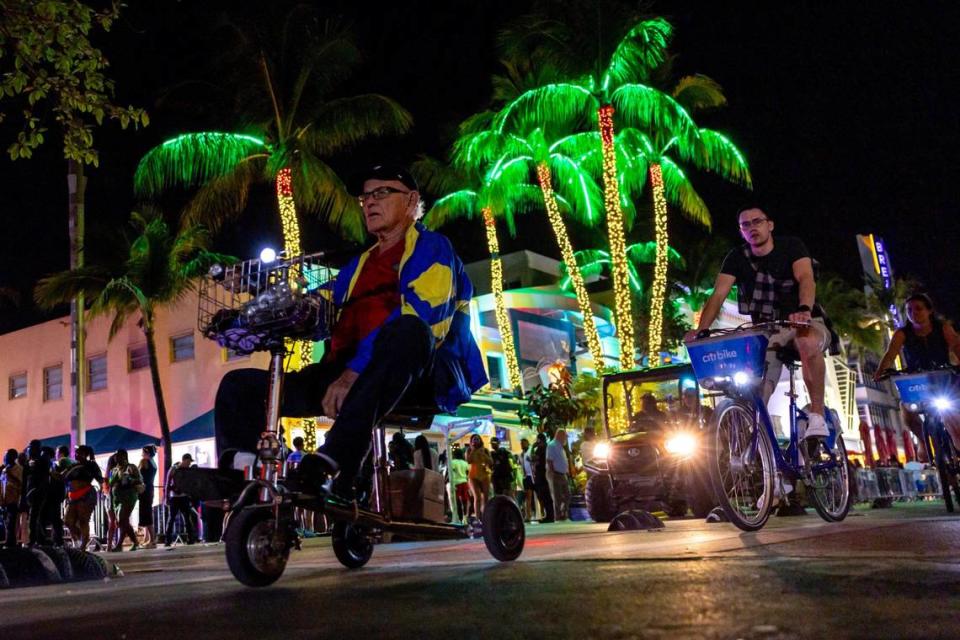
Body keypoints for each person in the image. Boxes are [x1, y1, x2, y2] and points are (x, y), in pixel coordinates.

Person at [215, 164, 487, 504]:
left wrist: (352, 372)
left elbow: (425, 314)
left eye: (382, 193)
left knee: (408, 330)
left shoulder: (433, 247)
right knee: (238, 386)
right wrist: (253, 309)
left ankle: (332, 461)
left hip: (415, 376)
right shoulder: (358, 265)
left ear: (412, 200)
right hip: (344, 373)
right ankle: (241, 469)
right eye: (365, 197)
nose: (370, 202)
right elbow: (318, 305)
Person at [686, 206, 833, 442]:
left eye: (757, 222)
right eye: (746, 225)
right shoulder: (737, 257)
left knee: (807, 342)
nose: (752, 227)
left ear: (770, 225)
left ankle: (817, 415)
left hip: (802, 319)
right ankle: (758, 445)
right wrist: (701, 329)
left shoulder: (791, 246)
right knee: (755, 387)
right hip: (766, 329)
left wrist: (804, 309)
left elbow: (806, 278)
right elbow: (718, 295)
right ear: (741, 231)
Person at [874, 293, 960, 450]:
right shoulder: (902, 334)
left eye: (919, 309)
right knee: (906, 409)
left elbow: (956, 346)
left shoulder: (943, 328)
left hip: (944, 378)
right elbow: (890, 354)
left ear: (929, 311)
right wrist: (880, 372)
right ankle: (923, 441)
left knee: (953, 415)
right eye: (909, 310)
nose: (914, 313)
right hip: (917, 381)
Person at [63, 445, 103, 550]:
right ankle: (77, 540)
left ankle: (83, 544)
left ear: (85, 454)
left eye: (79, 453)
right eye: (76, 453)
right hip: (73, 496)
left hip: (86, 494)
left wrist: (103, 488)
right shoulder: (73, 466)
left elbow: (100, 478)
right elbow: (62, 476)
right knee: (68, 520)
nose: (76, 455)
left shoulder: (91, 465)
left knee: (83, 520)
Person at [108, 449, 142, 552]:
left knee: (122, 518)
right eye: (115, 456)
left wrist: (128, 480)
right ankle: (135, 542)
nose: (116, 457)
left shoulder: (131, 467)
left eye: (119, 455)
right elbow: (110, 483)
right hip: (117, 498)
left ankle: (119, 545)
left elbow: (139, 480)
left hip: (129, 496)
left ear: (125, 456)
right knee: (122, 521)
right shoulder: (113, 470)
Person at [165, 453, 198, 546]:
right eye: (189, 461)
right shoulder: (174, 469)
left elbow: (190, 484)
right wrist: (166, 497)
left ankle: (190, 539)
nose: (189, 464)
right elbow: (167, 483)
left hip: (184, 497)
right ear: (185, 460)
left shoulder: (187, 470)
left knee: (187, 519)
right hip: (174, 497)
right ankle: (167, 541)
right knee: (171, 519)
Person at [546, 429, 571, 521]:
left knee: (567, 495)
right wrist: (553, 473)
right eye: (565, 437)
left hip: (562, 474)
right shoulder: (552, 445)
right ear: (560, 436)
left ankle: (564, 514)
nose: (566, 439)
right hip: (556, 474)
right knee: (558, 497)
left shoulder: (560, 446)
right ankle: (559, 516)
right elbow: (549, 461)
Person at [466, 434, 492, 520]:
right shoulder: (469, 450)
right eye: (474, 439)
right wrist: (473, 450)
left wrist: (483, 454)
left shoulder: (485, 450)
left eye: (477, 439)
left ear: (480, 441)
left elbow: (491, 462)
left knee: (486, 497)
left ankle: (486, 516)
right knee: (477, 497)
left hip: (484, 474)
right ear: (471, 441)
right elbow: (468, 461)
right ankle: (477, 518)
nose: (476, 441)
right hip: (473, 475)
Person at [1, 449, 23, 548]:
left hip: (14, 499)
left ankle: (12, 543)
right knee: (6, 522)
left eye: (7, 456)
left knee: (12, 523)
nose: (5, 458)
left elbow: (21, 483)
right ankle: (8, 541)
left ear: (13, 457)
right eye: (5, 456)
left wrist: (10, 474)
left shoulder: (18, 469)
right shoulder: (5, 469)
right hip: (4, 500)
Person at [138, 445, 158, 549]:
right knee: (147, 513)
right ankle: (147, 539)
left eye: (143, 451)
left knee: (146, 514)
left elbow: (139, 476)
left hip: (144, 490)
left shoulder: (144, 462)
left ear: (147, 452)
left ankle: (152, 540)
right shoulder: (153, 463)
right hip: (150, 488)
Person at [532, 433, 555, 523]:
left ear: (539, 440)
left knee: (544, 495)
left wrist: (532, 448)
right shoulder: (547, 447)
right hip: (545, 473)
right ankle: (550, 515)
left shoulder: (541, 448)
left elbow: (533, 458)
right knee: (547, 495)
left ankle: (549, 516)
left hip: (541, 475)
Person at [449, 447, 470, 520]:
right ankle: (465, 514)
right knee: (465, 500)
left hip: (456, 483)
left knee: (457, 500)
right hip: (464, 482)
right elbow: (468, 472)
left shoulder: (453, 462)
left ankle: (460, 515)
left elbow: (451, 472)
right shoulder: (465, 463)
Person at [519, 438, 537, 522]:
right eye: (521, 444)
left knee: (538, 495)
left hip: (533, 476)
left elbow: (534, 459)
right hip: (526, 477)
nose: (522, 445)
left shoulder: (531, 450)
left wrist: (531, 460)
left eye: (523, 443)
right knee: (528, 496)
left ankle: (540, 513)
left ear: (527, 443)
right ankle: (528, 515)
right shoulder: (521, 454)